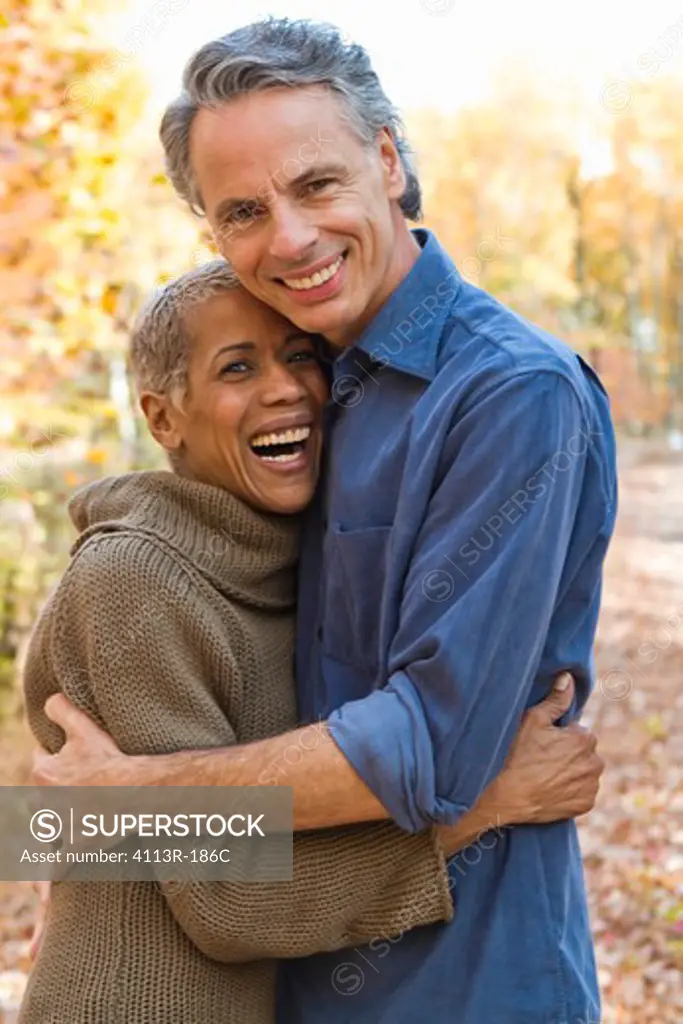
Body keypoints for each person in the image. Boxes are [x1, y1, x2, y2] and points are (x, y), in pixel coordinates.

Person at [33, 18, 616, 1024]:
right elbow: (59, 812)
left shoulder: (509, 396)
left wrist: (129, 804)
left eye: (314, 185)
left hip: (463, 987)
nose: (290, 239)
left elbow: (425, 746)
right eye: (243, 211)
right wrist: (89, 837)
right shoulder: (312, 389)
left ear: (386, 160)